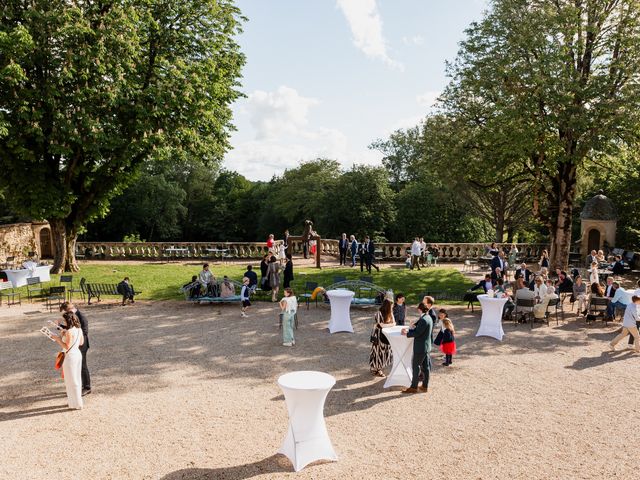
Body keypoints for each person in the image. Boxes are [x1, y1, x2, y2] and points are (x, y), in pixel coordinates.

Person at [51, 311, 84, 409]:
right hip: (77, 354)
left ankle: (75, 403)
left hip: (70, 357)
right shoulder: (79, 329)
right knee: (76, 378)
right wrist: (64, 334)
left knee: (70, 380)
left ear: (68, 321)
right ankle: (77, 402)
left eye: (64, 320)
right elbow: (81, 343)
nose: (64, 322)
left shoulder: (69, 331)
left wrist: (58, 339)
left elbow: (67, 346)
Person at [401, 302, 433, 394]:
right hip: (426, 347)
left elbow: (417, 333)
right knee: (426, 367)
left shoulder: (423, 319)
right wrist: (411, 329)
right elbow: (420, 330)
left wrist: (406, 333)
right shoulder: (428, 317)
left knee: (416, 366)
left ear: (419, 309)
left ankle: (413, 387)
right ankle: (424, 386)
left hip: (420, 347)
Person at [60, 302, 91, 396]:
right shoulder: (72, 315)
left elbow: (84, 332)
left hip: (81, 345)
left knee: (83, 366)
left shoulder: (81, 316)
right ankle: (77, 386)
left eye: (66, 311)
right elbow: (70, 327)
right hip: (73, 345)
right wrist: (61, 327)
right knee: (75, 367)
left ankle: (87, 387)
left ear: (70, 309)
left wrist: (73, 338)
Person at [369, 299, 395, 377]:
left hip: (386, 336)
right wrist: (391, 324)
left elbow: (394, 323)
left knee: (386, 352)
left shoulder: (390, 313)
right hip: (379, 336)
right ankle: (375, 369)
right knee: (377, 353)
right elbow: (382, 325)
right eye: (391, 306)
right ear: (388, 306)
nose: (392, 307)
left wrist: (390, 322)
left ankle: (379, 368)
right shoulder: (379, 313)